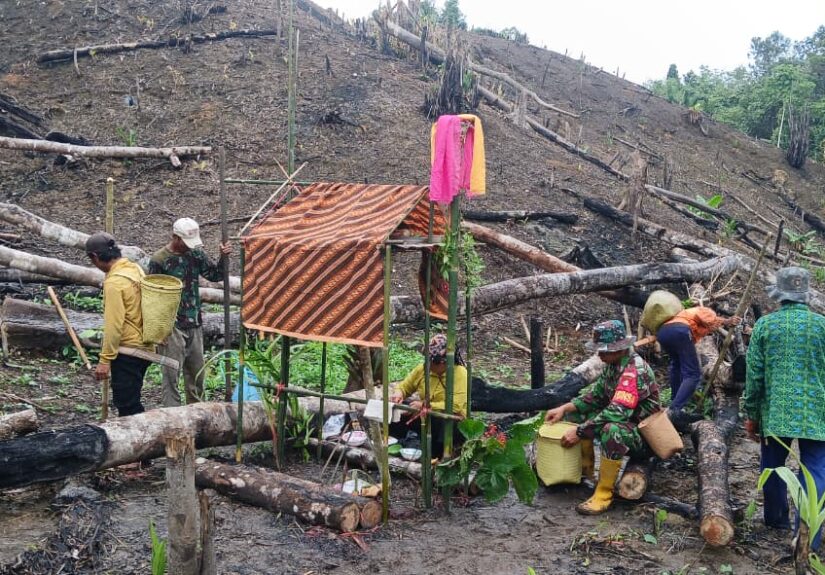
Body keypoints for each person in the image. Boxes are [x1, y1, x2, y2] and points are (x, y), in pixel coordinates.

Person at [744, 267, 825, 548]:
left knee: (773, 465)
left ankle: (776, 518)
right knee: (814, 471)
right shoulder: (822, 326)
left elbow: (754, 376)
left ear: (779, 295)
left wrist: (751, 414)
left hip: (776, 413)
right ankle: (808, 536)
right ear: (805, 296)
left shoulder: (766, 326)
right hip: (816, 412)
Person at [545, 320, 659, 515]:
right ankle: (584, 471)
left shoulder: (633, 371)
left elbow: (616, 412)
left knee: (611, 430)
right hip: (628, 425)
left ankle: (604, 493)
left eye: (604, 351)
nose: (599, 354)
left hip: (645, 437)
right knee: (576, 413)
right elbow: (596, 397)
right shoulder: (613, 365)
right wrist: (565, 408)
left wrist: (580, 432)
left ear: (620, 348)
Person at [148, 218, 231, 406]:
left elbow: (215, 275)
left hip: (194, 322)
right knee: (171, 375)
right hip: (172, 326)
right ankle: (173, 418)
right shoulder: (160, 261)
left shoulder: (195, 254)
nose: (188, 246)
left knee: (197, 375)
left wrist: (223, 257)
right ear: (175, 238)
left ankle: (197, 413)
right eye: (185, 242)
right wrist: (158, 331)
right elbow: (152, 297)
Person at [86, 232, 153, 417]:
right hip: (145, 346)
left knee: (128, 406)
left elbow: (114, 325)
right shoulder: (135, 269)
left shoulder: (114, 283)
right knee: (132, 398)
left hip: (128, 351)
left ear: (95, 257)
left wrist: (105, 360)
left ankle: (142, 441)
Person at [656, 305, 740, 422]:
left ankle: (675, 402)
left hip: (663, 333)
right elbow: (705, 318)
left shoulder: (682, 315)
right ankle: (674, 409)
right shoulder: (706, 311)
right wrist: (726, 321)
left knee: (677, 365)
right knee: (693, 374)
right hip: (680, 331)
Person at [389, 334, 467, 458]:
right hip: (423, 416)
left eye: (433, 362)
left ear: (445, 363)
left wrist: (426, 405)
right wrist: (399, 393)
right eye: (428, 360)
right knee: (395, 410)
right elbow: (404, 386)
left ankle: (440, 455)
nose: (429, 364)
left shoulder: (460, 373)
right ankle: (400, 442)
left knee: (445, 422)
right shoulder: (422, 370)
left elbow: (456, 405)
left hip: (448, 419)